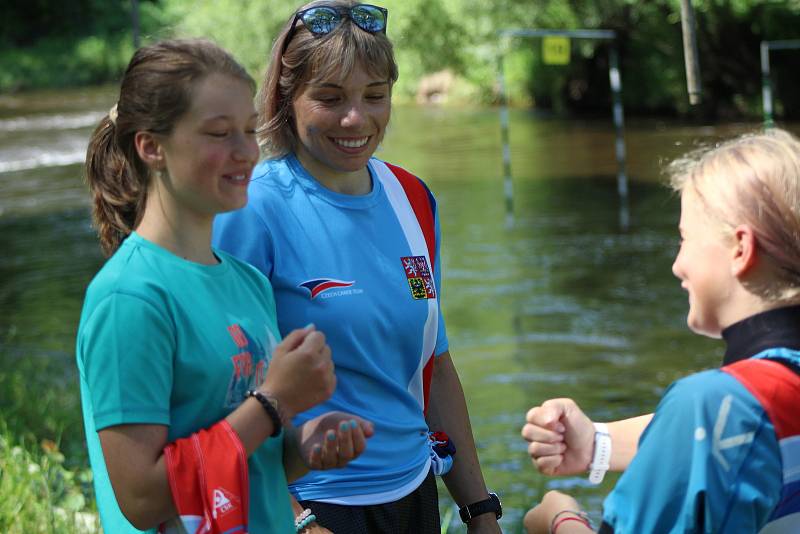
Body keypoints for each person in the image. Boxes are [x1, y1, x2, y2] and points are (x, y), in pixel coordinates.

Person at [212, 2, 502, 532]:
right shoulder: (250, 208)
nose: (356, 119)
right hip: (310, 506)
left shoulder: (412, 198)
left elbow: (433, 367)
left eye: (375, 96)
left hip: (415, 494)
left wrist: (478, 507)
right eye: (330, 98)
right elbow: (220, 391)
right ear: (286, 98)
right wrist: (296, 519)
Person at [79, 38, 373, 534]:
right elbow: (142, 499)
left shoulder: (249, 283)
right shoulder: (129, 297)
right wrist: (276, 402)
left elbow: (250, 462)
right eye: (218, 134)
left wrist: (305, 444)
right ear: (151, 147)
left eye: (248, 130)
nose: (245, 153)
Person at [520, 129, 800, 533]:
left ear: (741, 248)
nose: (677, 265)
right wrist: (598, 444)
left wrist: (560, 518)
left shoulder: (710, 404)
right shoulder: (753, 403)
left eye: (685, 238)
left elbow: (721, 422)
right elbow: (748, 431)